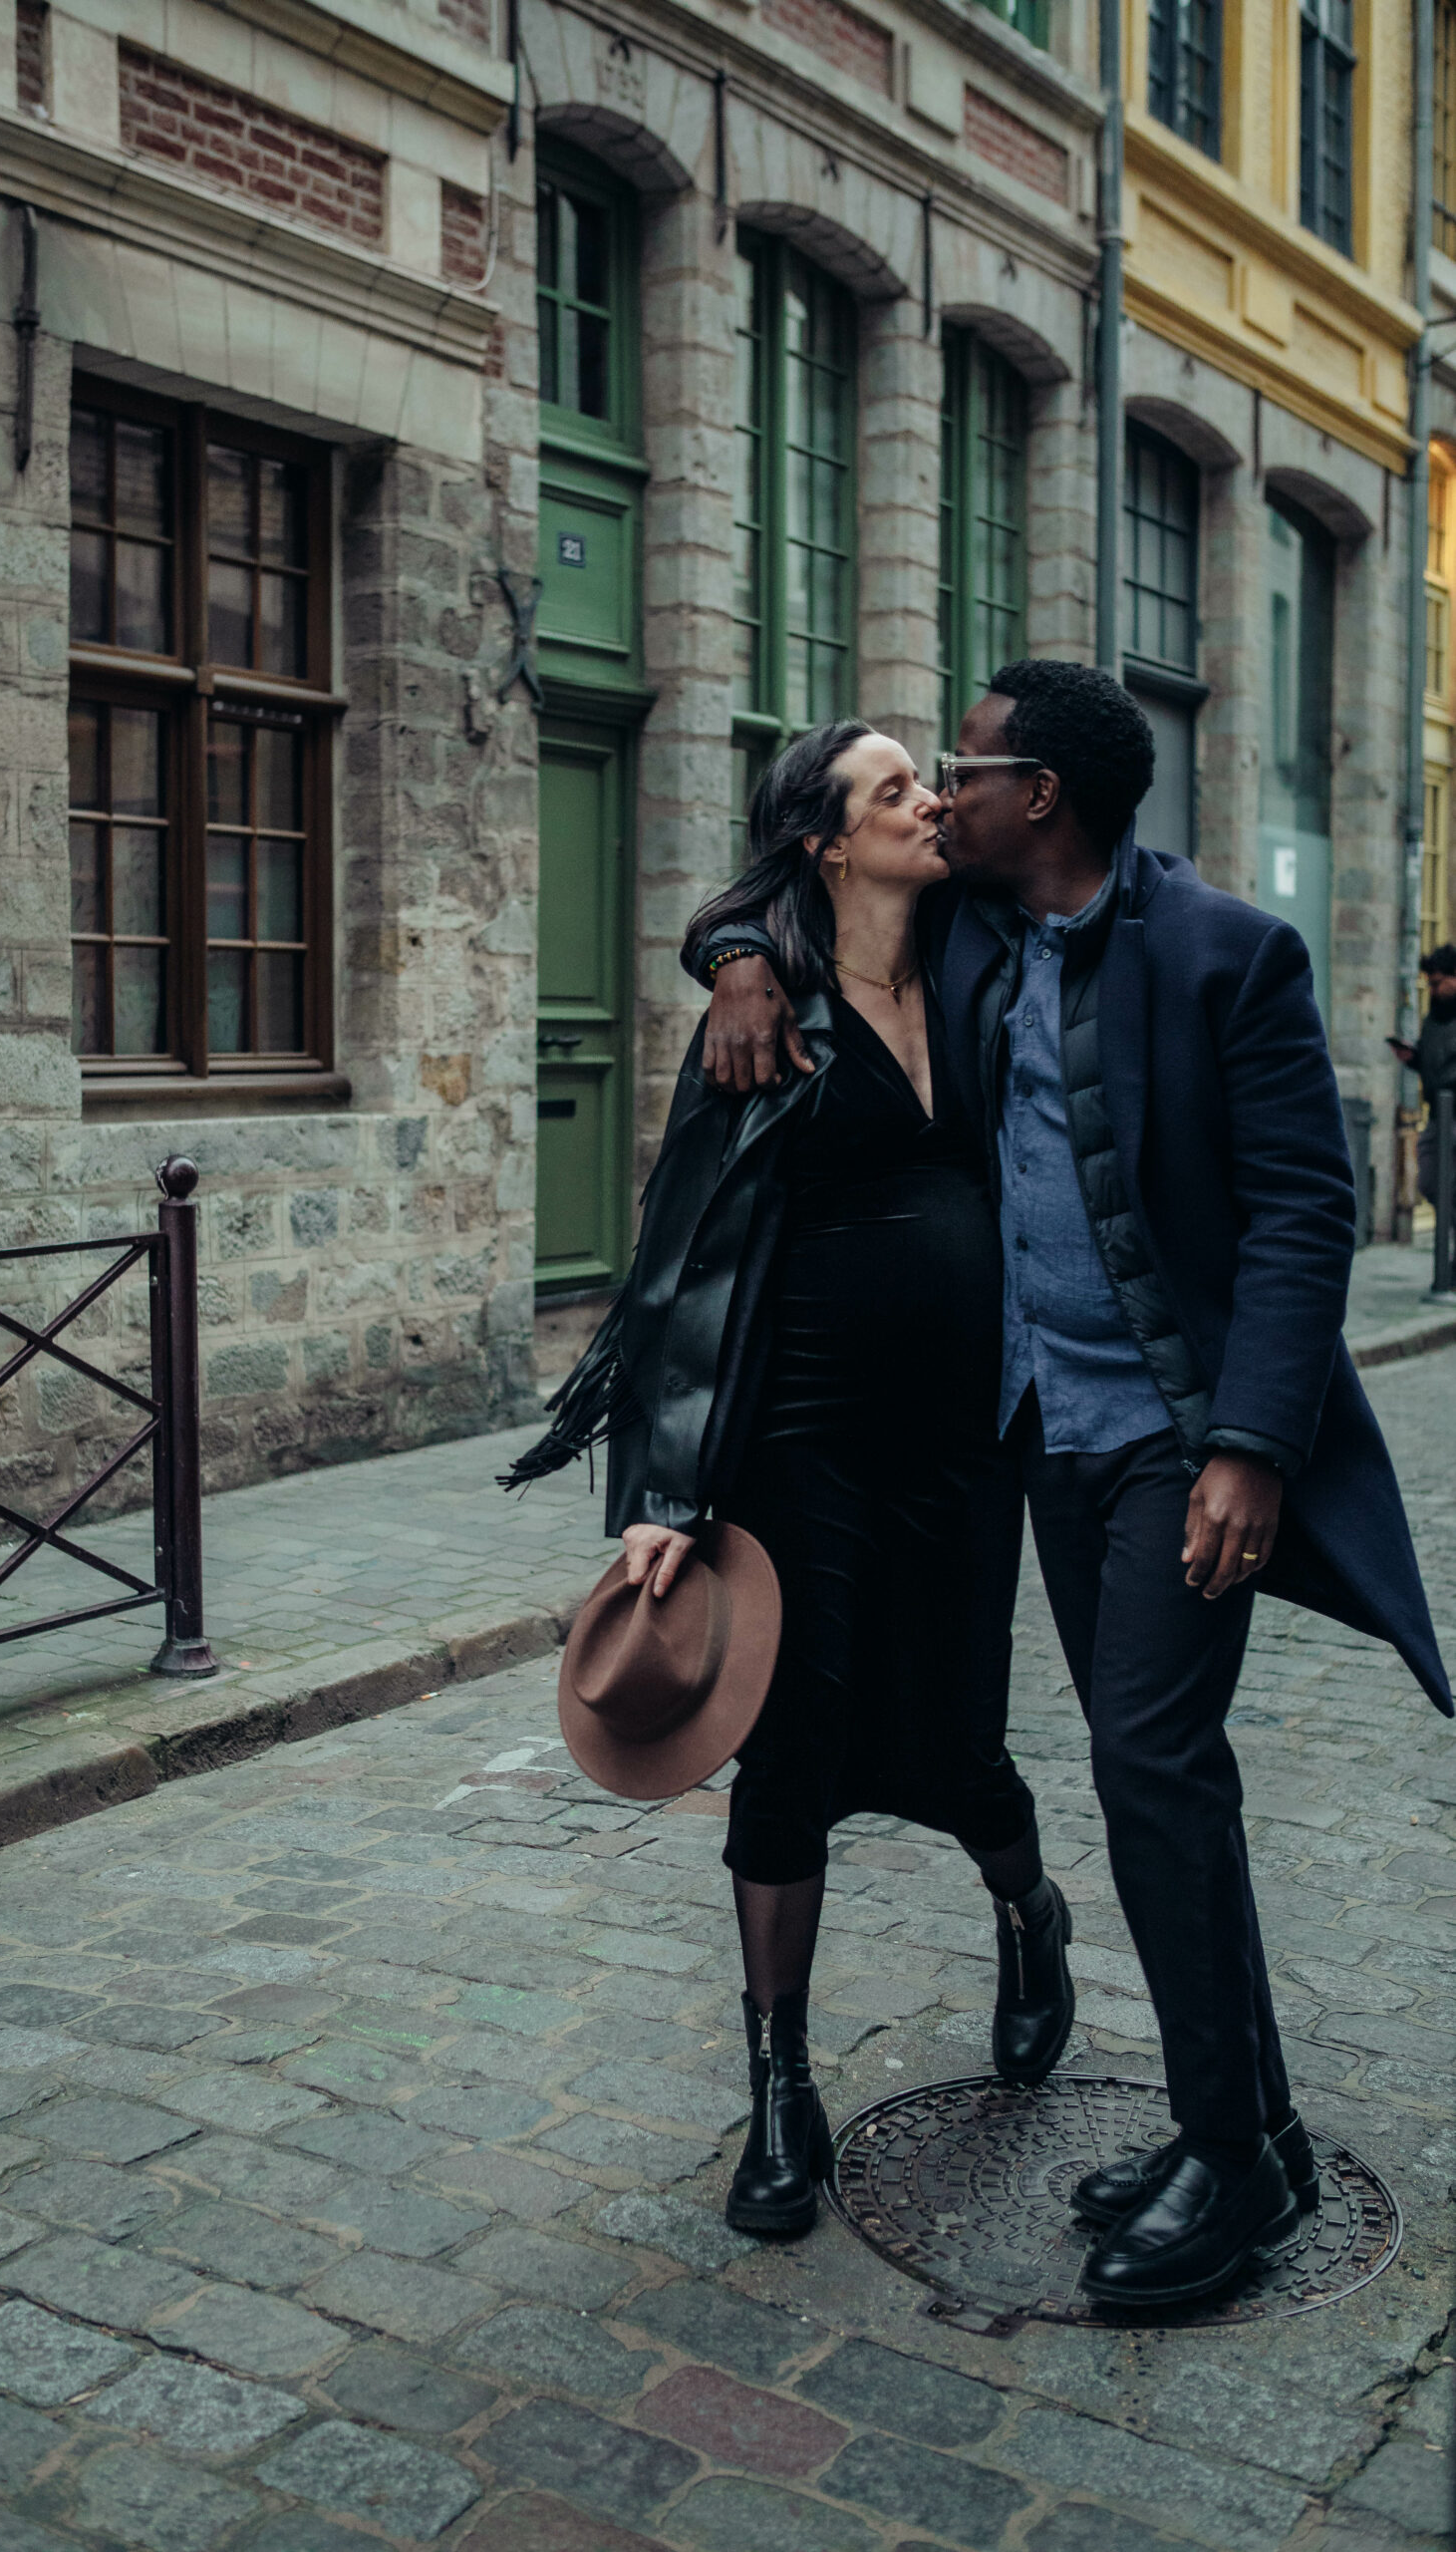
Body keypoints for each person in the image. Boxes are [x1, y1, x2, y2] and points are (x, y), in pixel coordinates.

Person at [693, 661, 1451, 2308]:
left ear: (1036, 795)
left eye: (960, 766)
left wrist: (1248, 1446)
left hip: (1178, 1444)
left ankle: (1229, 2155)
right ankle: (1249, 2129)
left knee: (1150, 1764)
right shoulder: (975, 931)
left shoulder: (1226, 953)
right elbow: (786, 874)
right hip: (1041, 1439)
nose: (939, 789)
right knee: (1152, 1773)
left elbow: (1302, 1211)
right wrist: (735, 960)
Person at [506, 722, 1074, 2240]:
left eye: (926, 780)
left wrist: (731, 942)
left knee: (959, 1738)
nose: (930, 801)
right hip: (800, 1435)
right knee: (791, 1750)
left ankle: (1031, 1914)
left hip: (961, 1441)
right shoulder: (768, 1013)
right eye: (894, 790)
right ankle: (779, 2085)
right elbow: (679, 1264)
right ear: (826, 842)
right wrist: (663, 1498)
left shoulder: (976, 950)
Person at [1387, 942, 1456, 1204]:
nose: (1433, 990)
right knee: (1429, 1181)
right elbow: (1435, 1061)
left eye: (1438, 983)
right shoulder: (1434, 1016)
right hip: (1438, 1113)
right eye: (1430, 984)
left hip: (1453, 1109)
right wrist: (1413, 1058)